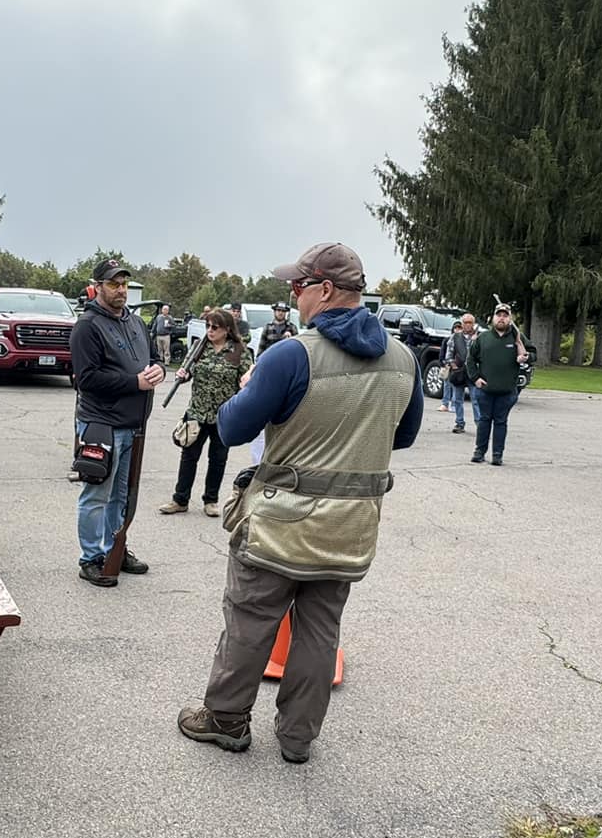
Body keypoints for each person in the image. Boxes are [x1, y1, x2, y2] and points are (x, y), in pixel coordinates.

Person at [177, 243, 422, 763]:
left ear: (325, 290)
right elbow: (403, 437)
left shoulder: (291, 354)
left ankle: (225, 720)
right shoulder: (403, 359)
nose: (292, 296)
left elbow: (232, 427)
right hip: (351, 526)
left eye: (297, 287)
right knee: (319, 630)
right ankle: (297, 738)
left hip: (278, 524)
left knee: (250, 621)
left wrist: (248, 389)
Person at [71, 258, 162, 587]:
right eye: (113, 284)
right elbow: (87, 379)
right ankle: (91, 558)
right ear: (97, 287)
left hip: (134, 424)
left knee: (122, 495)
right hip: (102, 424)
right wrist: (134, 383)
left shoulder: (136, 323)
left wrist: (158, 371)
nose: (120, 290)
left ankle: (115, 549)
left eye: (124, 284)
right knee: (96, 494)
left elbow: (154, 358)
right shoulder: (87, 326)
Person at [160, 309, 255, 518]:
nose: (210, 331)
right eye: (207, 326)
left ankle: (211, 500)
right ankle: (180, 499)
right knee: (188, 457)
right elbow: (186, 372)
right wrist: (182, 375)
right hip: (197, 411)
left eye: (215, 327)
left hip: (224, 414)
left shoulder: (239, 351)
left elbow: (247, 381)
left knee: (218, 459)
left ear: (227, 329)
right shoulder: (199, 347)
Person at [466, 304, 528, 465]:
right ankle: (479, 452)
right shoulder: (483, 338)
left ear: (510, 319)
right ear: (493, 318)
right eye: (499, 315)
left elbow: (532, 352)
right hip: (485, 390)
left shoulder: (517, 337)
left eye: (505, 315)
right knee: (484, 420)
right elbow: (470, 359)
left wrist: (525, 357)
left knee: (501, 422)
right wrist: (475, 378)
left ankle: (497, 455)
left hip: (507, 391)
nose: (501, 318)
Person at [442, 312, 477, 427]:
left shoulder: (479, 337)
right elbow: (448, 355)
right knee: (457, 399)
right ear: (462, 324)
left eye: (470, 322)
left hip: (473, 373)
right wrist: (454, 366)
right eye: (465, 322)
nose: (467, 325)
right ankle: (459, 423)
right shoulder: (454, 337)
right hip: (458, 373)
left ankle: (480, 424)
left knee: (476, 400)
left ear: (473, 324)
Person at [150, 300, 176, 365]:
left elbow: (174, 325)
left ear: (168, 311)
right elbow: (155, 325)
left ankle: (167, 362)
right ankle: (160, 360)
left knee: (166, 350)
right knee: (159, 349)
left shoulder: (170, 318)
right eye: (164, 309)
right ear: (162, 310)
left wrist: (169, 325)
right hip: (158, 336)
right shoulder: (158, 317)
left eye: (166, 310)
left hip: (166, 336)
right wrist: (152, 332)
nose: (165, 311)